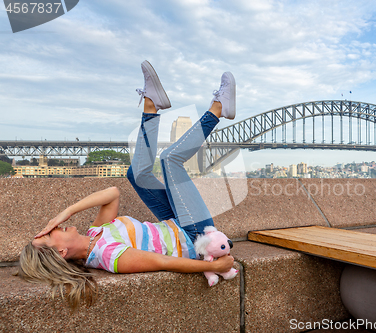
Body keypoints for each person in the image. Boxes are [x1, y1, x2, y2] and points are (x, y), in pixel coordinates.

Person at [16, 61, 237, 310]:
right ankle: (218, 109)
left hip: (174, 223)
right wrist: (212, 266)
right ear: (60, 253)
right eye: (48, 234)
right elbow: (163, 262)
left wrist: (66, 211)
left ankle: (151, 104)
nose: (52, 226)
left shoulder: (95, 233)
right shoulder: (108, 256)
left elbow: (112, 194)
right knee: (170, 160)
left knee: (138, 174)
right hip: (195, 237)